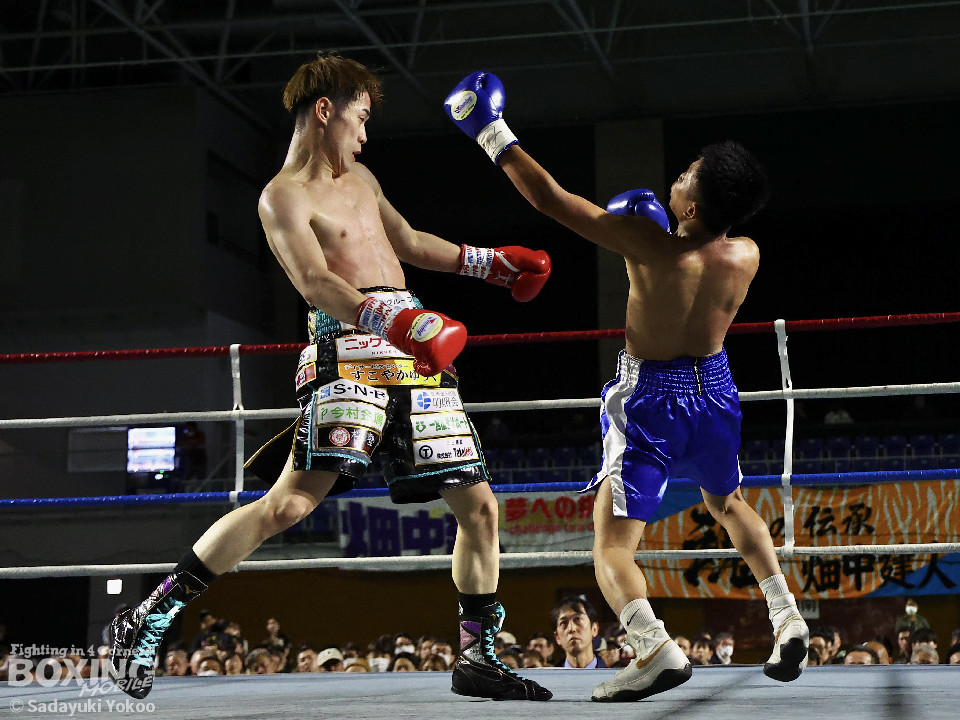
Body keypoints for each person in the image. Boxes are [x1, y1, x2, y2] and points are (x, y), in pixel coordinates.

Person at [109, 53, 552, 703]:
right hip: (348, 348)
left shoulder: (363, 177)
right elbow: (315, 281)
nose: (365, 135)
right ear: (325, 111)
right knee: (287, 506)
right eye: (360, 118)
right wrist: (395, 321)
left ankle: (476, 657)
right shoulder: (281, 196)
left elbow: (408, 242)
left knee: (479, 506)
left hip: (412, 351)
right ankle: (149, 616)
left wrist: (492, 265)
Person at [445, 70, 808, 702]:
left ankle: (654, 647)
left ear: (691, 207)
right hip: (715, 392)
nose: (679, 174)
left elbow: (552, 200)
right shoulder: (745, 254)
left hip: (650, 403)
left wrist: (490, 131)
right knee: (728, 503)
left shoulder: (648, 244)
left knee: (611, 547)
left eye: (688, 173)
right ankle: (787, 616)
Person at [551, 595, 607, 669]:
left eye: (578, 619)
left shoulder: (614, 675)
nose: (571, 628)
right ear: (557, 637)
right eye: (564, 623)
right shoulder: (548, 676)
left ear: (594, 629)